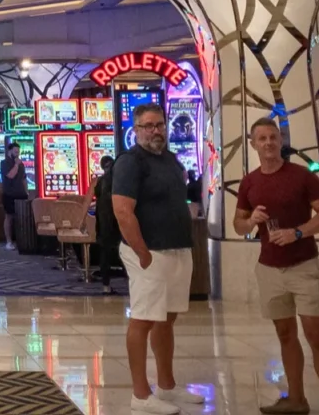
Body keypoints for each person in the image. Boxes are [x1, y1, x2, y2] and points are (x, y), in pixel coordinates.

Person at [234, 118, 319, 415]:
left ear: (280, 141)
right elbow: (238, 225)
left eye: (273, 137)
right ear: (253, 144)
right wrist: (250, 221)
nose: (268, 143)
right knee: (285, 333)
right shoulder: (249, 182)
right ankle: (297, 399)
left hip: (303, 265)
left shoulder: (302, 176)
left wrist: (297, 232)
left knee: (316, 335)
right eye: (262, 138)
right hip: (269, 268)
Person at [112, 103, 206, 414]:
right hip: (149, 252)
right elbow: (123, 211)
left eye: (160, 125)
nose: (155, 131)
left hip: (177, 248)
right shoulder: (130, 163)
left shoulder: (170, 160)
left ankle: (166, 386)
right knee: (144, 319)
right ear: (136, 130)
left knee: (167, 318)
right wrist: (141, 252)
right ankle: (141, 394)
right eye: (148, 126)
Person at [95, 155, 120, 295]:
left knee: (105, 253)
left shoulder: (100, 181)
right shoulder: (119, 181)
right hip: (118, 220)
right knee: (125, 252)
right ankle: (133, 284)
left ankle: (106, 285)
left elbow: (95, 197)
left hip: (104, 222)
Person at [0, 143, 28, 250]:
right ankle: (9, 241)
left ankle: (21, 241)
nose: (17, 154)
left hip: (21, 194)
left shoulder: (21, 164)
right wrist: (16, 165)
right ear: (10, 151)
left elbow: (24, 179)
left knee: (22, 218)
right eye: (15, 152)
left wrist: (27, 192)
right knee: (9, 217)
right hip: (9, 194)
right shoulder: (4, 163)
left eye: (18, 152)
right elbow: (10, 175)